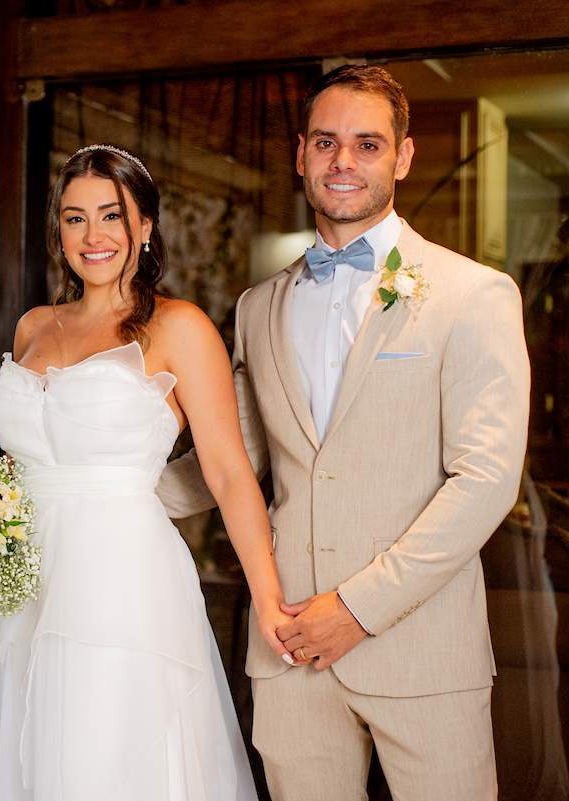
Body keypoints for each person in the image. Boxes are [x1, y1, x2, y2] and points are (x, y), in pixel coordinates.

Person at [157, 65, 530, 801]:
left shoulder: (472, 295)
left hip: (423, 653)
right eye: (326, 142)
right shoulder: (257, 306)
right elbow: (234, 455)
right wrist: (100, 492)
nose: (343, 161)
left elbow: (485, 481)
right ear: (300, 153)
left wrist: (357, 609)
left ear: (403, 156)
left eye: (367, 144)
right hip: (288, 646)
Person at [0, 143, 288, 801]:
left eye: (111, 215)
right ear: (59, 229)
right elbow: (14, 466)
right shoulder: (31, 326)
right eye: (75, 217)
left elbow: (227, 471)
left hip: (122, 584)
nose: (93, 235)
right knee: (23, 763)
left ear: (144, 226)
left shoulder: (179, 326)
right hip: (27, 584)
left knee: (104, 762)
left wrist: (270, 603)